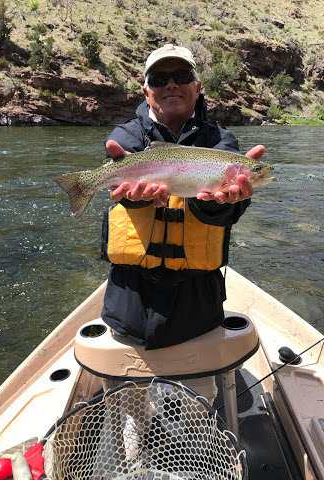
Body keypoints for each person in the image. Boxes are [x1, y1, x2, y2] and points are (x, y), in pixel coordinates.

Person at [100, 44, 264, 430]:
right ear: (147, 91)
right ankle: (137, 444)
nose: (171, 85)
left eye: (181, 76)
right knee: (131, 409)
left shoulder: (222, 143)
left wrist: (219, 202)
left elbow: (228, 211)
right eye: (159, 79)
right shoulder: (126, 136)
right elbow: (128, 200)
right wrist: (138, 201)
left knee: (197, 404)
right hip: (131, 301)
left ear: (198, 85)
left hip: (197, 303)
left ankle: (192, 439)